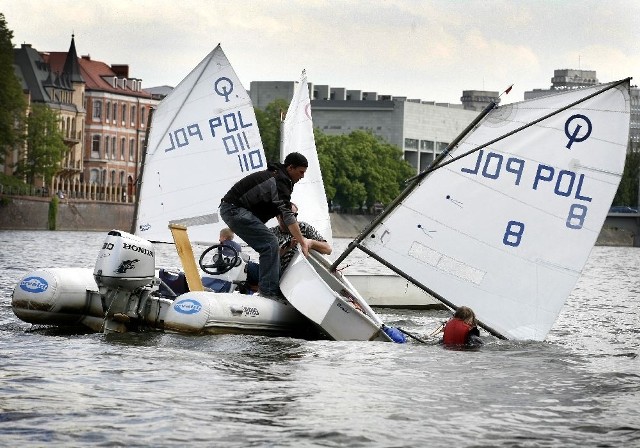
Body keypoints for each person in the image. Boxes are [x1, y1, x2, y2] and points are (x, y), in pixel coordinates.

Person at [219, 152, 311, 300]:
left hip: (233, 210)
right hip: (233, 210)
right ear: (290, 168)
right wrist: (303, 242)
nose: (302, 176)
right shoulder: (280, 181)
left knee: (268, 245)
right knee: (270, 244)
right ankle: (268, 293)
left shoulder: (280, 178)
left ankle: (265, 288)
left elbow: (283, 211)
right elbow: (287, 216)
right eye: (301, 172)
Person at [271, 202, 331, 274]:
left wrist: (310, 243)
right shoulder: (270, 233)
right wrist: (288, 247)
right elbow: (268, 258)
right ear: (278, 217)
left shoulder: (304, 227)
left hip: (306, 272)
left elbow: (328, 249)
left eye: (295, 215)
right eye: (288, 216)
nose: (293, 219)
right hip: (281, 276)